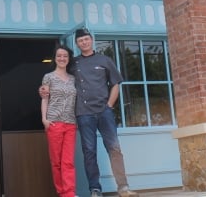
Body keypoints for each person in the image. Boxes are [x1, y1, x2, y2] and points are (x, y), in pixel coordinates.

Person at [41, 28, 137, 197]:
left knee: (114, 148)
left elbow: (116, 84)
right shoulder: (73, 64)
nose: (83, 42)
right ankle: (95, 189)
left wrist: (109, 104)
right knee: (89, 152)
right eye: (80, 41)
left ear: (91, 40)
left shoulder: (105, 60)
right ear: (77, 44)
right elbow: (58, 78)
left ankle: (123, 187)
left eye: (86, 39)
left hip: (104, 112)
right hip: (84, 114)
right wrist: (43, 90)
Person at [41, 45, 78, 197]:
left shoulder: (74, 79)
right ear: (55, 58)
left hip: (70, 123)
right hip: (54, 122)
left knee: (68, 161)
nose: (62, 58)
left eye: (65, 56)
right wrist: (44, 119)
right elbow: (44, 99)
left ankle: (69, 193)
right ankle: (62, 192)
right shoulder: (48, 77)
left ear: (68, 59)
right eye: (59, 56)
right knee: (56, 162)